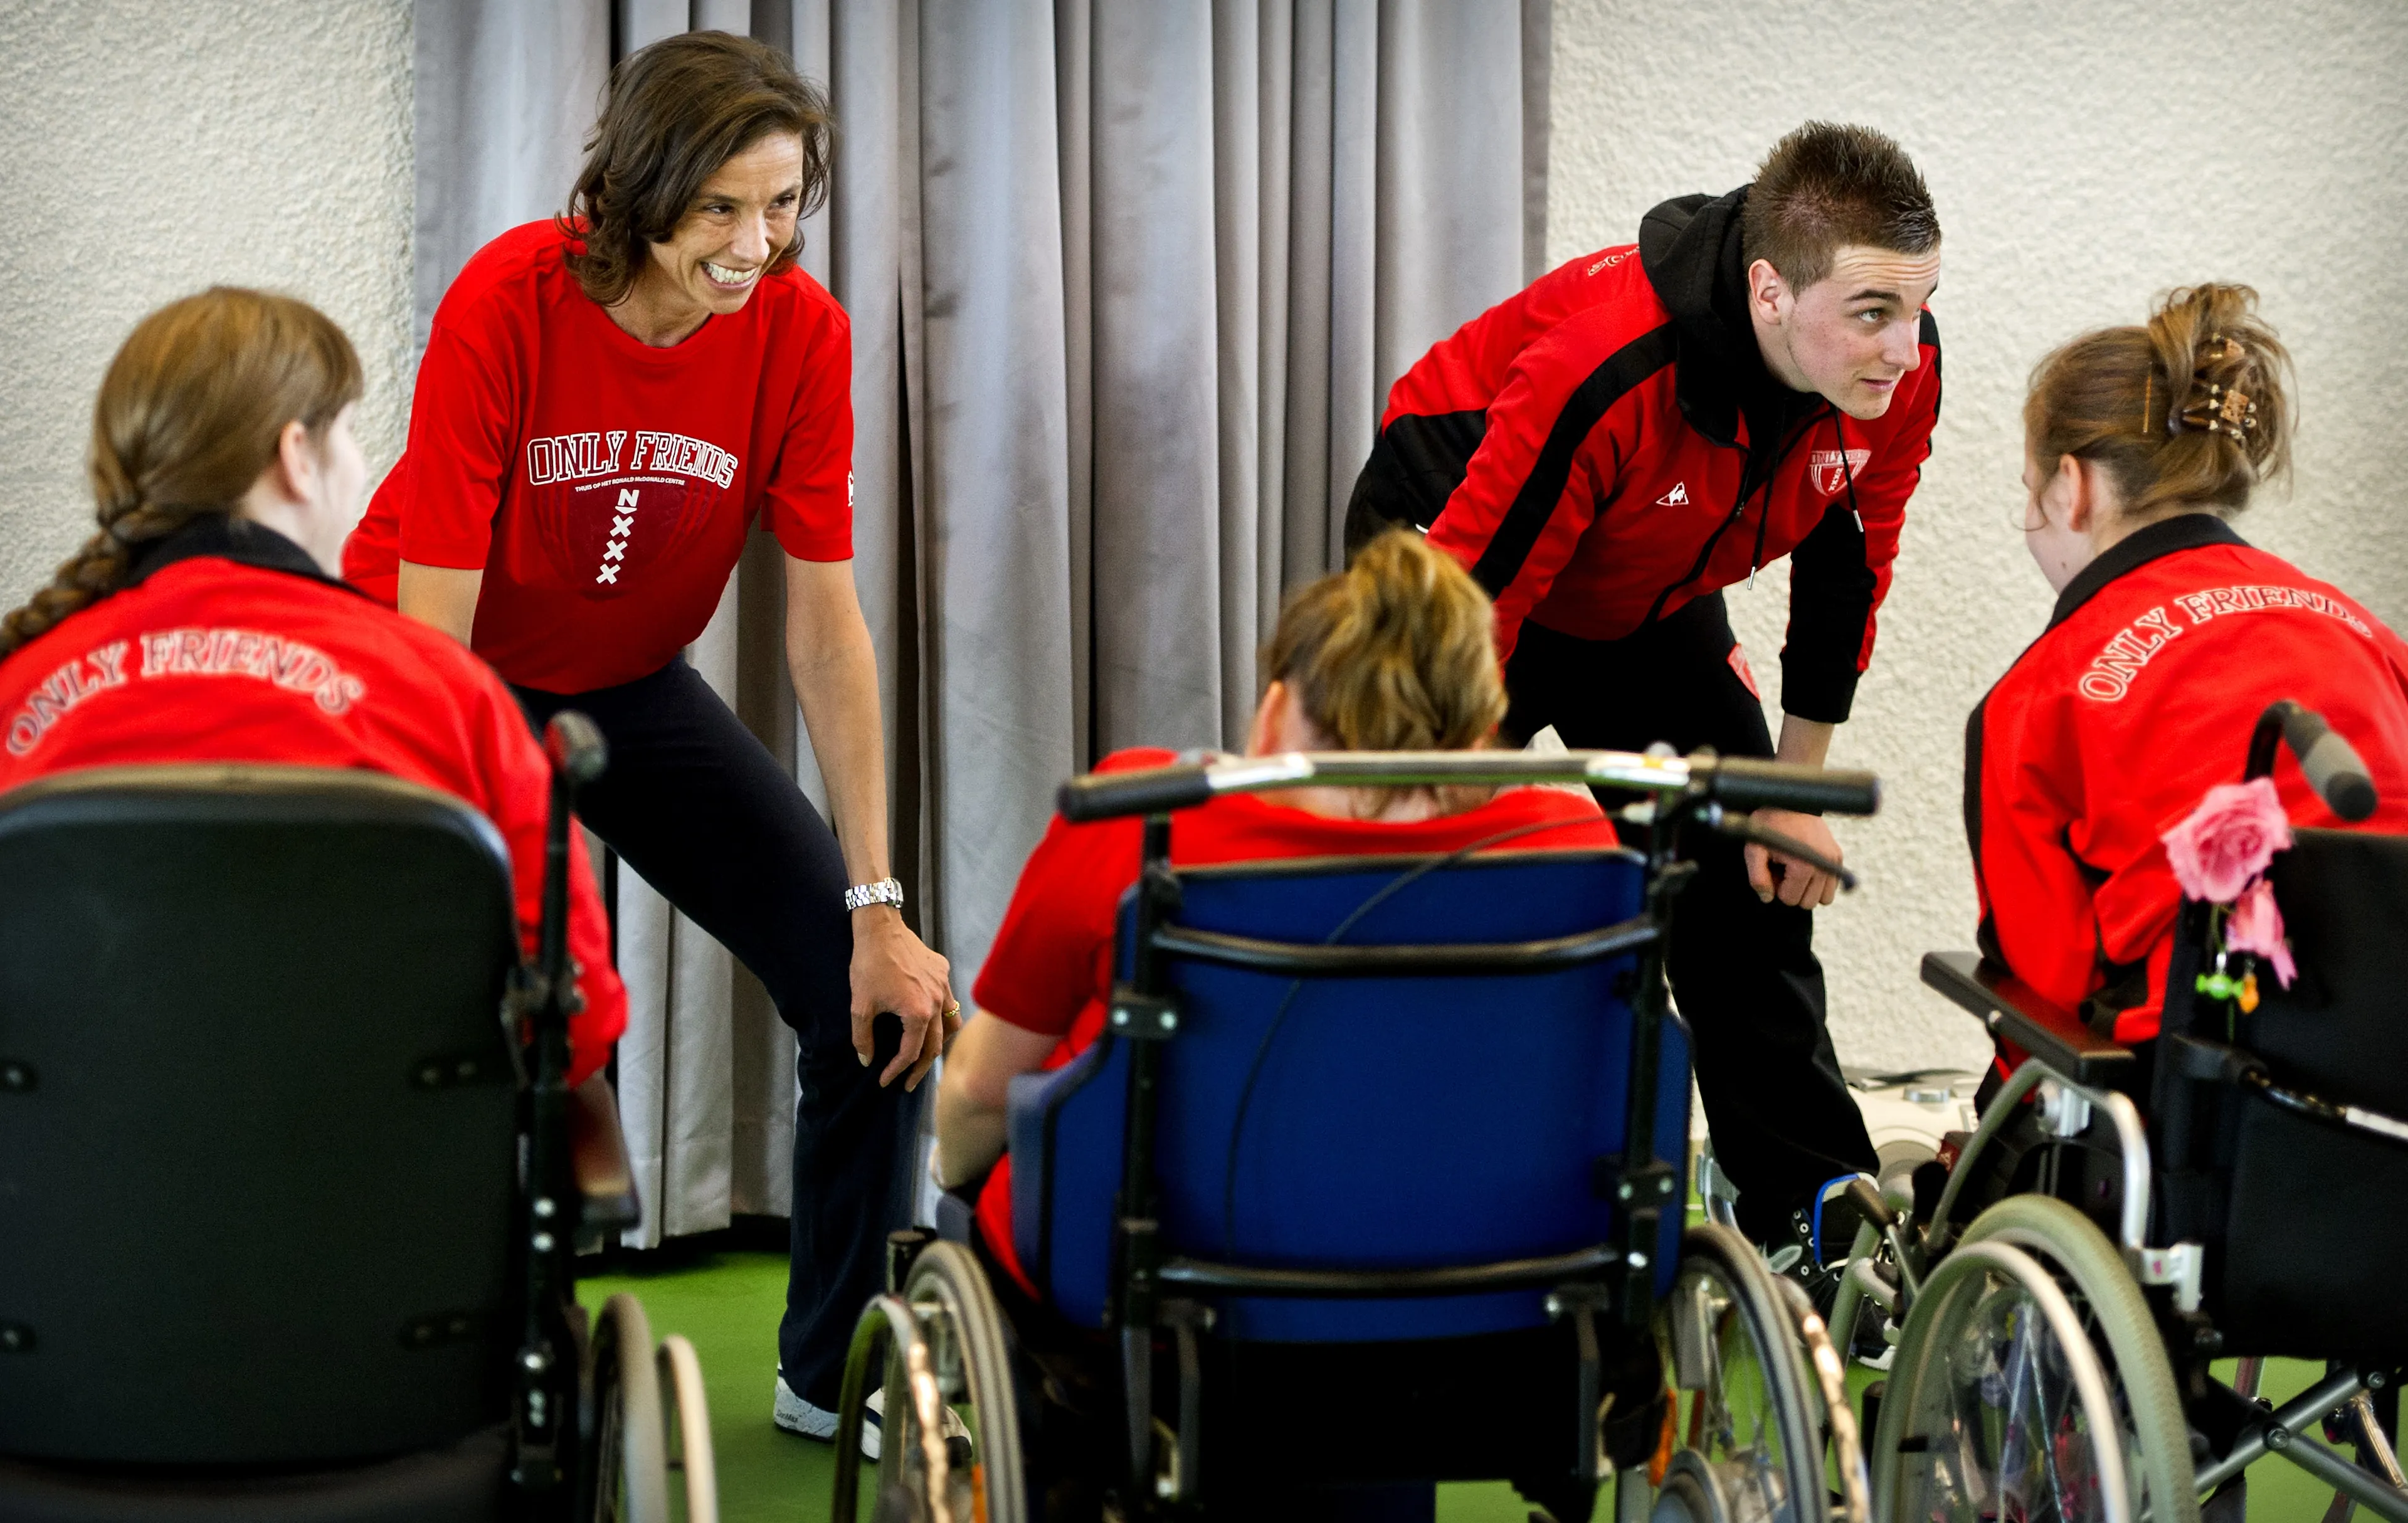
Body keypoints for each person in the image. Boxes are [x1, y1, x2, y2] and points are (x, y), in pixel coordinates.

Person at [338, 31, 953, 1437]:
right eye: (722, 207)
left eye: (784, 204)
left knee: (874, 1006)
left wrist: (876, 904)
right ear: (640, 189)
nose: (757, 243)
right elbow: (435, 626)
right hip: (444, 683)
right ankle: (434, 1364)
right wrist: (467, 868)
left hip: (623, 683)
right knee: (472, 1015)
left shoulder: (802, 334)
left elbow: (824, 628)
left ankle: (828, 1369)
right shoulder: (512, 296)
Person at [933, 531, 1627, 1520]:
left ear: (1276, 704)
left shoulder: (1141, 816)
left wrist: (956, 1182)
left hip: (1161, 1300)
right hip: (1472, 1298)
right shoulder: (1572, 846)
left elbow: (978, 1090)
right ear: (1483, 725)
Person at [1344, 120, 1941, 1245]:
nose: (1906, 347)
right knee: (1402, 866)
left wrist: (1793, 792)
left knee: (1745, 870)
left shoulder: (1894, 375)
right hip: (1459, 558)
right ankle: (1373, 1179)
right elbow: (1480, 599)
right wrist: (1436, 794)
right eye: (1874, 311)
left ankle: (1808, 1202)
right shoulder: (1607, 364)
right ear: (1770, 292)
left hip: (1641, 588)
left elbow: (1850, 567)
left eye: (1919, 305)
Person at [0, 287, 625, 1085]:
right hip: (395, 1200)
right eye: (353, 435)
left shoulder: (21, 693)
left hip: (72, 1205)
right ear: (297, 455)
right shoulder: (450, 695)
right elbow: (582, 1023)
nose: (362, 467)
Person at [1972, 283, 2408, 1043]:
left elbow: (2050, 998)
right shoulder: (2373, 639)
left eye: (2029, 493)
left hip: (2198, 1121)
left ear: (2072, 488)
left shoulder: (2038, 697)